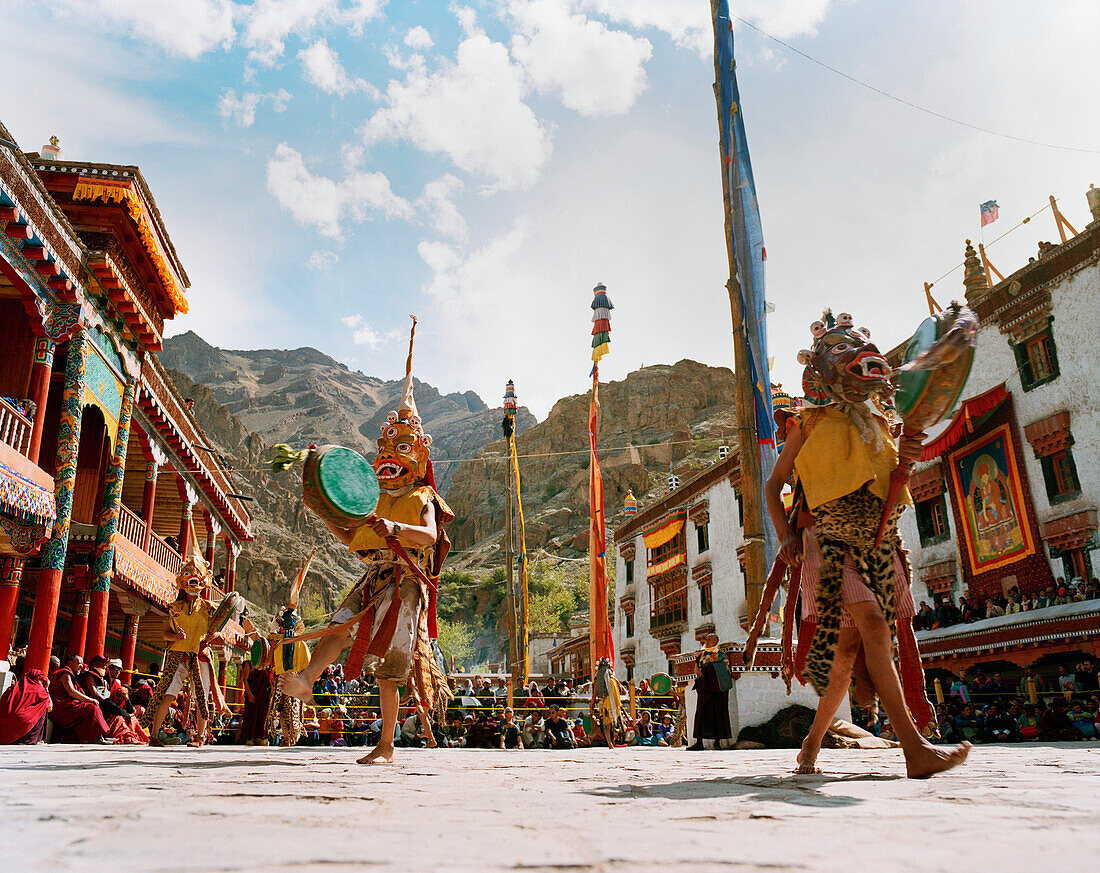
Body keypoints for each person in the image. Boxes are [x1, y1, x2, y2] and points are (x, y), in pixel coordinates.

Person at [763, 309, 969, 778]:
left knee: (848, 656)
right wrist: (785, 535)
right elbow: (773, 485)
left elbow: (893, 475)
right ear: (819, 369)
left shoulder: (884, 422)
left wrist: (909, 453)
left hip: (879, 543)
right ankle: (915, 750)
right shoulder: (805, 422)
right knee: (875, 627)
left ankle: (810, 748)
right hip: (828, 542)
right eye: (840, 348)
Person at [279, 324, 454, 764]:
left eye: (400, 448)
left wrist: (394, 530)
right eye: (384, 448)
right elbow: (353, 536)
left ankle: (388, 742)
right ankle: (306, 679)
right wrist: (322, 506)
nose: (388, 457)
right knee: (339, 627)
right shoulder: (373, 501)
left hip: (405, 584)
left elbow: (429, 536)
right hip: (375, 575)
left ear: (417, 458)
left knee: (390, 671)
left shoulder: (423, 497)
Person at [140, 557, 225, 747]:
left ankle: (200, 737)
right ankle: (153, 735)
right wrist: (176, 637)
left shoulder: (209, 608)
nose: (193, 582)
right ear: (183, 582)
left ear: (203, 582)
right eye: (189, 577)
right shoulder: (174, 608)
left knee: (202, 696)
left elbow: (219, 632)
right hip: (178, 656)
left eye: (196, 578)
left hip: (200, 654)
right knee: (168, 694)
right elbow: (165, 634)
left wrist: (211, 638)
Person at [48, 655, 112, 744]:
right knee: (92, 708)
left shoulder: (70, 674)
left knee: (90, 708)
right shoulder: (65, 673)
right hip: (61, 706)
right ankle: (97, 736)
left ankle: (95, 736)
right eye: (79, 663)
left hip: (67, 704)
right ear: (70, 663)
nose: (82, 666)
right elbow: (71, 692)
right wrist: (89, 699)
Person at [688, 633, 731, 751]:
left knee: (718, 713)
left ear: (716, 641)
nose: (706, 641)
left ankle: (718, 742)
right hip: (704, 688)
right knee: (702, 713)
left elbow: (724, 668)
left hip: (717, 689)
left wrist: (705, 670)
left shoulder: (721, 655)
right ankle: (699, 742)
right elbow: (696, 667)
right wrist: (697, 670)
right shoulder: (700, 655)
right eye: (705, 639)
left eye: (709, 639)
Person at [0, 659, 51, 744]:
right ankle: (31, 739)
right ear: (40, 680)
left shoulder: (12, 688)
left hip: (4, 727)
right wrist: (47, 689)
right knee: (44, 705)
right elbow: (50, 708)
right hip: (24, 729)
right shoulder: (40, 691)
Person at [589, 658, 624, 749]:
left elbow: (594, 696)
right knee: (608, 724)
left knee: (608, 725)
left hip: (607, 704)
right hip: (606, 705)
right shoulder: (612, 680)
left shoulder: (613, 681)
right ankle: (610, 743)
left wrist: (591, 706)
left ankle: (611, 742)